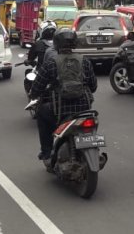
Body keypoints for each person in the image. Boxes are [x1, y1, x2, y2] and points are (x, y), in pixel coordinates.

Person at [29, 27, 97, 165]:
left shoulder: (51, 62)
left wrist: (34, 94)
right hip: (84, 108)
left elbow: (37, 86)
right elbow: (93, 86)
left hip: (60, 109)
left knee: (41, 114)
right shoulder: (84, 61)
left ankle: (47, 152)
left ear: (56, 43)